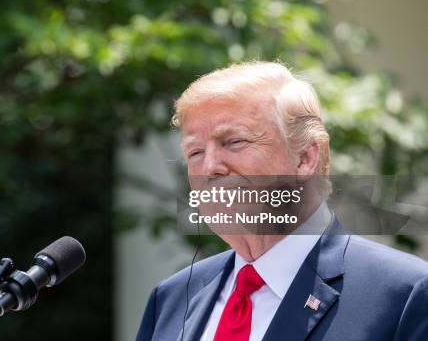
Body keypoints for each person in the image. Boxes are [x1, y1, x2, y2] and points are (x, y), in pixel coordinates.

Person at [136, 62, 428, 341]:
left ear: (305, 157)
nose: (209, 167)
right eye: (195, 152)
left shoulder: (405, 295)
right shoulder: (170, 299)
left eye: (234, 142)